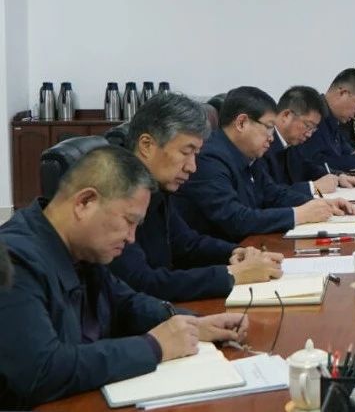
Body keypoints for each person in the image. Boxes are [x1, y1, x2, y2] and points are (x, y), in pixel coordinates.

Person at [0, 146, 248, 409]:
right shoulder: (14, 258)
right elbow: (41, 371)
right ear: (85, 202)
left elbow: (125, 302)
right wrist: (154, 346)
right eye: (129, 221)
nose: (131, 238)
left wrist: (190, 324)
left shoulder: (82, 247)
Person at [110, 94, 284, 301]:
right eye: (186, 152)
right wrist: (231, 275)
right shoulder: (113, 192)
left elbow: (187, 244)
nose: (192, 167)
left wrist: (238, 252)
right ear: (147, 145)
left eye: (195, 154)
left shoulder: (156, 188)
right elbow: (142, 282)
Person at [174, 86, 355, 242]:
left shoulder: (246, 155)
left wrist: (321, 204)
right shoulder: (209, 158)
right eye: (268, 127)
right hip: (220, 256)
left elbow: (273, 194)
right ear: (242, 123)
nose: (271, 137)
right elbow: (235, 219)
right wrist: (298, 215)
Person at [265, 85, 355, 193]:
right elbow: (268, 194)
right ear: (286, 115)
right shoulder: (263, 146)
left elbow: (307, 168)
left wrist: (338, 177)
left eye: (313, 129)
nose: (309, 134)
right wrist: (313, 188)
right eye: (308, 126)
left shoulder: (291, 143)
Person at [294, 68, 355, 173]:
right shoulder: (313, 116)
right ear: (343, 93)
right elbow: (314, 164)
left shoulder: (334, 118)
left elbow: (345, 149)